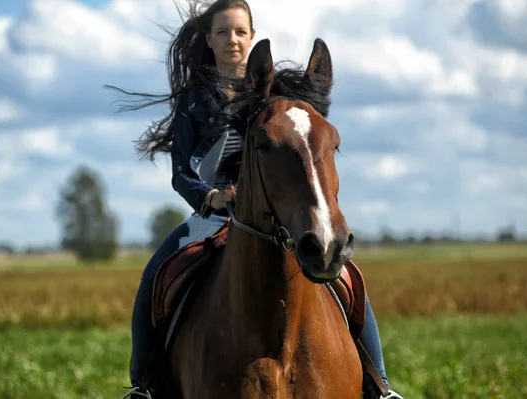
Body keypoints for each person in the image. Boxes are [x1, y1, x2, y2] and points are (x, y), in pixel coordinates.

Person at [112, 1, 402, 398]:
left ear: (251, 38)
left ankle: (380, 386)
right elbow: (181, 172)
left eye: (239, 31)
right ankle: (143, 386)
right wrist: (210, 196)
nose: (232, 39)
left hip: (279, 216)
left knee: (349, 277)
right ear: (210, 41)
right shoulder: (195, 100)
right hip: (213, 216)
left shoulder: (278, 98)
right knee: (157, 270)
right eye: (222, 32)